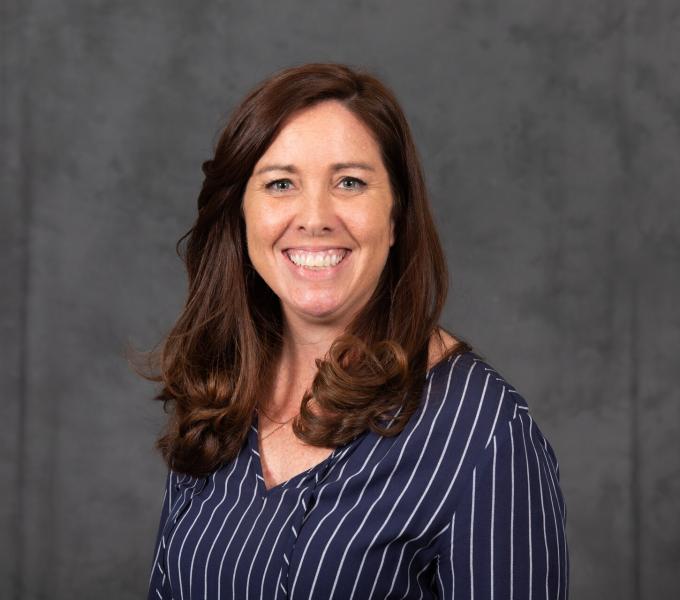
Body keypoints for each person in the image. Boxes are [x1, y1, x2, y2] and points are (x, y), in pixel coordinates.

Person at [140, 62, 569, 599]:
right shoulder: (219, 394)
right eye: (280, 184)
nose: (314, 216)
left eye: (350, 182)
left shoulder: (486, 435)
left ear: (395, 217)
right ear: (240, 215)